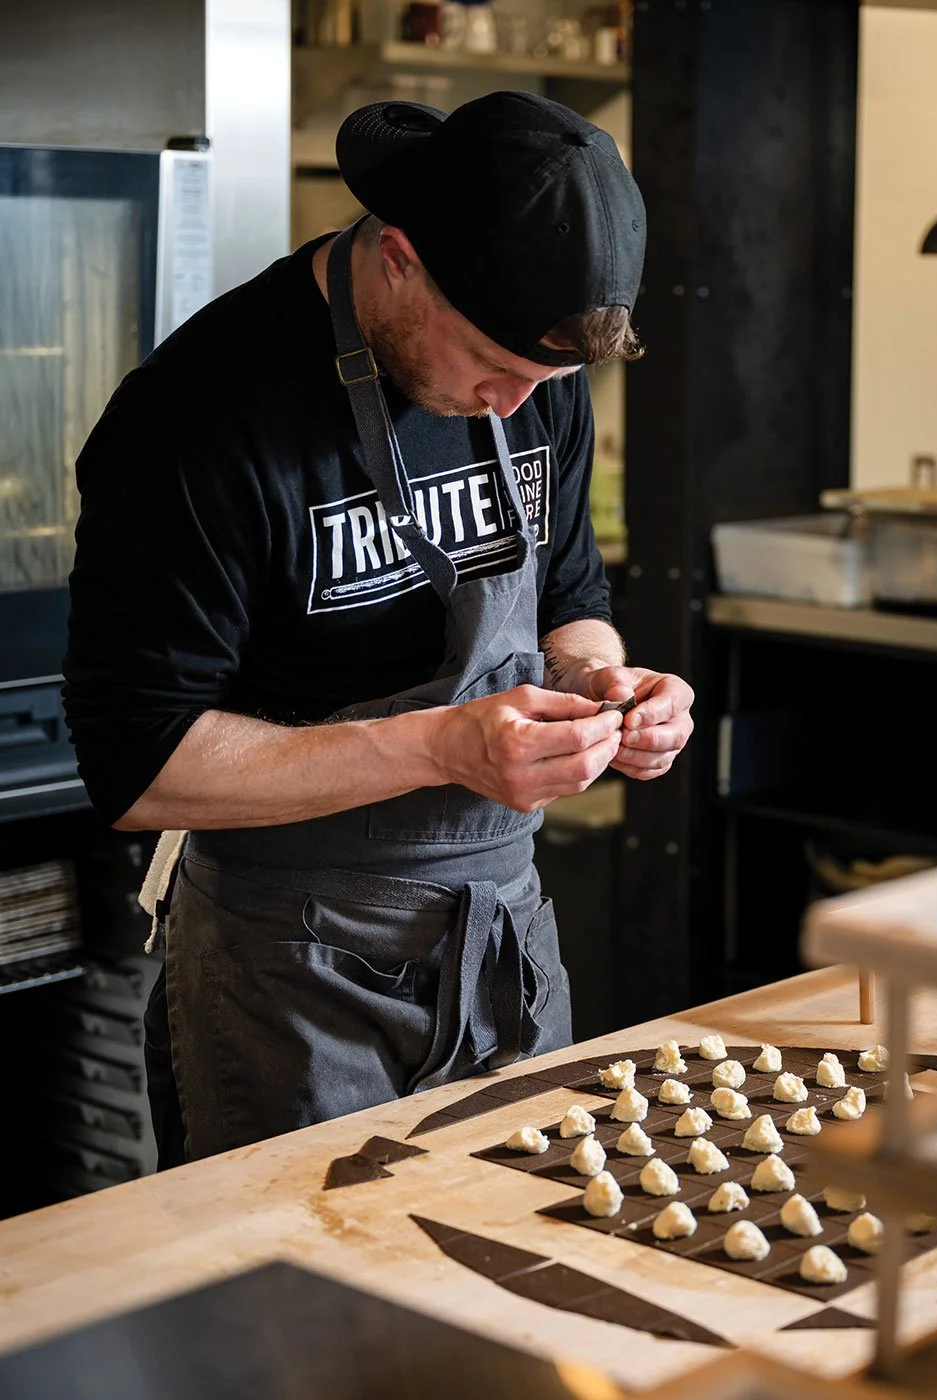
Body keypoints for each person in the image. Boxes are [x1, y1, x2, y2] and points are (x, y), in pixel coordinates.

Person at [63, 91, 694, 1168]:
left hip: (503, 939)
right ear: (398, 261)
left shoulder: (533, 380)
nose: (511, 406)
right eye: (491, 370)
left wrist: (604, 688)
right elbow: (140, 766)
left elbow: (567, 596)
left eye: (542, 385)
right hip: (288, 970)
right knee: (304, 1323)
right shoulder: (198, 419)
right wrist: (444, 746)